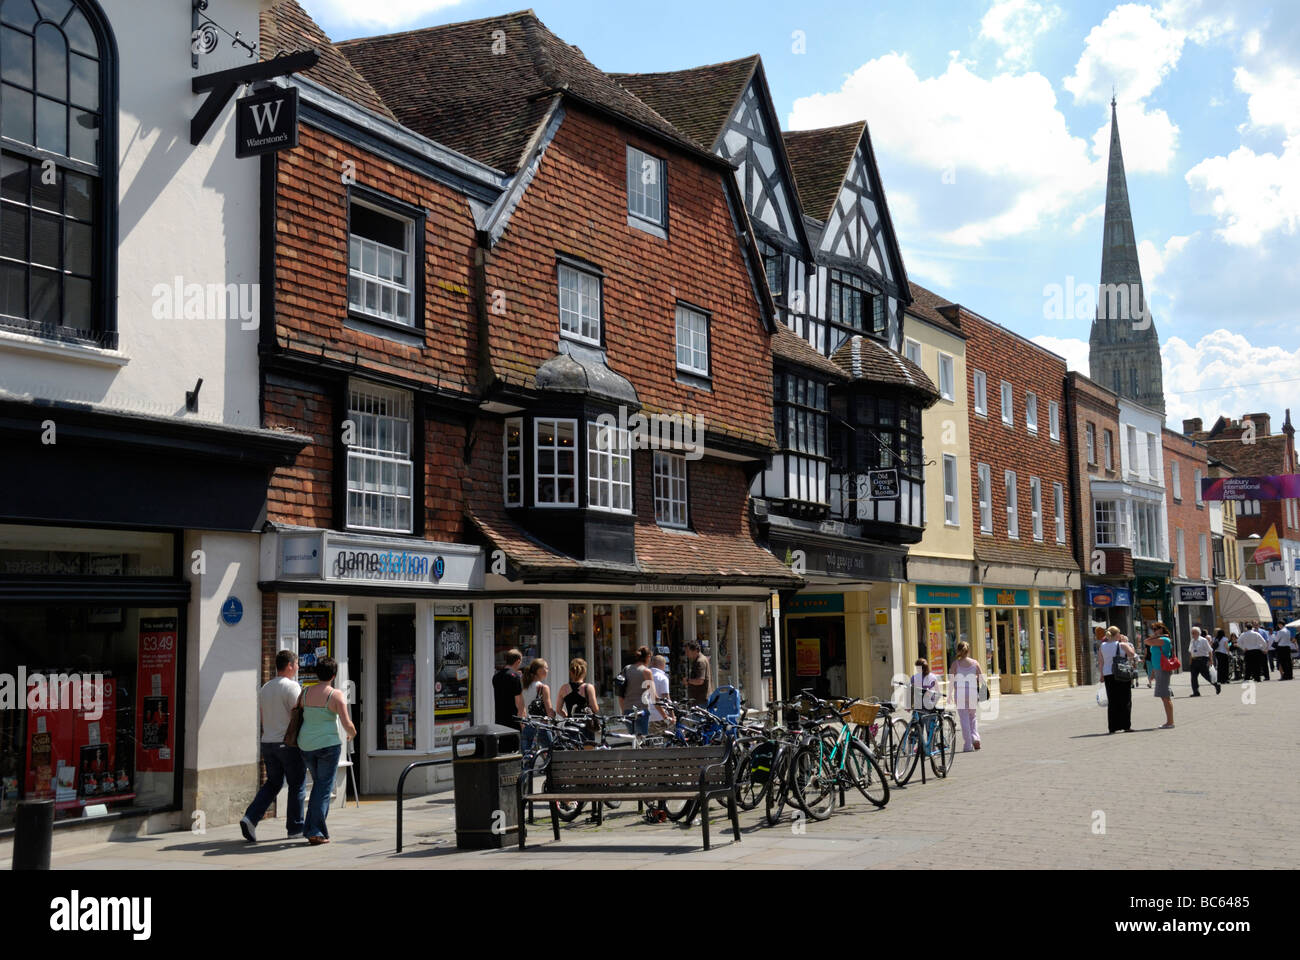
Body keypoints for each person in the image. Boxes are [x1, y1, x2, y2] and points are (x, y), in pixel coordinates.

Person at [240, 649, 307, 842]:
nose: (298, 667)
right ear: (289, 666)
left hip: (267, 741)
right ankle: (295, 828)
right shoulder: (292, 687)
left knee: (273, 782)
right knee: (297, 784)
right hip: (286, 742)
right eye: (296, 664)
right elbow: (298, 715)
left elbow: (263, 717)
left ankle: (250, 818)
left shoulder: (265, 687)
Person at [297, 656, 356, 845]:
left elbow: (298, 714)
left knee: (320, 785)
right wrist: (352, 734)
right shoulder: (335, 695)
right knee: (323, 787)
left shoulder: (305, 693)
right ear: (333, 675)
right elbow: (347, 723)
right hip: (327, 746)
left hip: (305, 745)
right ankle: (315, 832)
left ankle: (312, 828)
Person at [1097, 626, 1136, 734]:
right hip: (1121, 673)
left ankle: (1112, 727)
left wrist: (1101, 675)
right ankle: (1126, 725)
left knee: (1113, 701)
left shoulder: (1102, 646)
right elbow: (1132, 654)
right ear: (1117, 635)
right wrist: (1126, 642)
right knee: (1125, 699)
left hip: (1108, 674)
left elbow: (1101, 662)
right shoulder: (1122, 644)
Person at [948, 641, 984, 751]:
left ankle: (968, 744)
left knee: (964, 718)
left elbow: (951, 680)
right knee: (972, 717)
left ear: (958, 651)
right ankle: (975, 738)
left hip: (961, 693)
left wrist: (950, 695)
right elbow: (982, 678)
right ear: (968, 651)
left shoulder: (955, 664)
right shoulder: (975, 663)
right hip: (973, 692)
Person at [517, 658, 554, 757]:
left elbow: (521, 710)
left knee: (527, 757)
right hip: (542, 725)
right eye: (546, 668)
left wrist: (523, 725)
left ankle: (527, 772)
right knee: (550, 755)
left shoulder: (524, 687)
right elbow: (549, 710)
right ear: (539, 670)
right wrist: (554, 717)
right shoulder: (543, 688)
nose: (547, 670)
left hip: (528, 725)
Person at [556, 658, 599, 738]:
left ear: (570, 672)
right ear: (584, 672)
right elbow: (595, 709)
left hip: (570, 725)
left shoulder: (564, 688)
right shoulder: (588, 687)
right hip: (586, 724)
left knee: (572, 748)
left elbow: (558, 709)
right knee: (588, 749)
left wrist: (567, 716)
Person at [618, 646, 653, 736]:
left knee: (633, 739)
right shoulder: (646, 671)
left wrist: (623, 710)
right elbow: (653, 695)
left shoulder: (626, 669)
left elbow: (620, 693)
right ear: (648, 656)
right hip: (641, 710)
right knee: (642, 741)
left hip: (627, 710)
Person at [1148, 625, 1175, 729]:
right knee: (1164, 696)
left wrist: (1158, 636)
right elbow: (1156, 656)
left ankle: (1170, 722)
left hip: (1163, 669)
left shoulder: (1164, 639)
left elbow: (1146, 641)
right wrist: (1153, 672)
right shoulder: (1158, 639)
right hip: (1158, 669)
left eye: (1156, 629)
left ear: (1162, 629)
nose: (1154, 631)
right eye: (1153, 629)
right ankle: (1169, 721)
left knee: (1165, 696)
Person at [492, 648, 523, 729]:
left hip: (499, 720)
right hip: (513, 721)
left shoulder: (496, 676)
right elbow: (519, 702)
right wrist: (522, 722)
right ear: (518, 661)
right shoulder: (515, 677)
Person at [1187, 627, 1220, 696]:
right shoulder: (1192, 641)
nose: (1192, 634)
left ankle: (1216, 684)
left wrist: (1211, 660)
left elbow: (1210, 650)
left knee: (1206, 676)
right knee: (1193, 677)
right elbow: (1191, 652)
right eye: (1192, 633)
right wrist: (1190, 661)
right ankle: (1196, 692)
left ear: (1198, 633)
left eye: (1194, 633)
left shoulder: (1203, 640)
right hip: (1194, 660)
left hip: (1203, 660)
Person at [648, 655, 673, 735]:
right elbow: (666, 698)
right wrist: (672, 715)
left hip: (646, 715)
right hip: (659, 716)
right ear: (663, 665)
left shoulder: (644, 676)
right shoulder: (662, 678)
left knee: (650, 742)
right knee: (662, 741)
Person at [684, 640, 710, 707]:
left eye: (687, 651)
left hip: (700, 700)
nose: (686, 654)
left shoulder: (700, 661)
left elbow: (700, 681)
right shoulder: (699, 660)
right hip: (698, 700)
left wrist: (687, 680)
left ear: (695, 650)